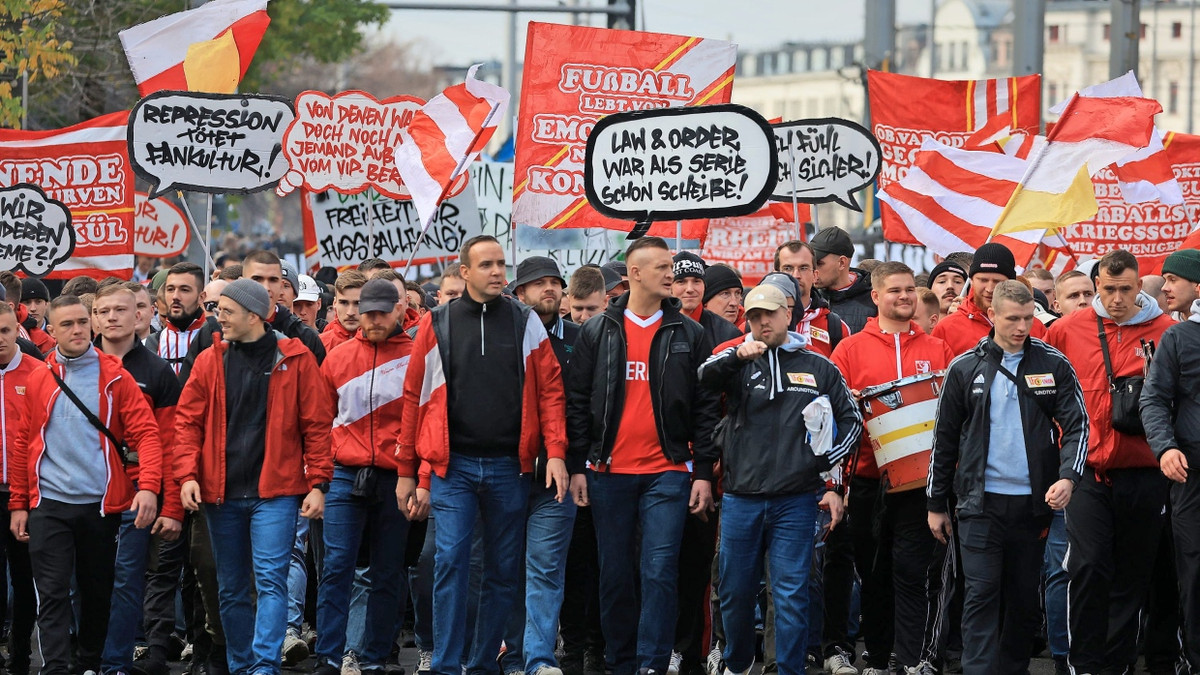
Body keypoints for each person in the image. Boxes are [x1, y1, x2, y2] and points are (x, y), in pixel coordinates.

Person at [399, 235, 569, 675]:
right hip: (450, 468)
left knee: (501, 570)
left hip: (508, 469)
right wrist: (407, 472)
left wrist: (554, 451)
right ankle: (446, 665)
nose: (498, 271)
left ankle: (481, 666)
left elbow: (551, 391)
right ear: (465, 272)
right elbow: (413, 398)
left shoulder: (525, 320)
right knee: (450, 562)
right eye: (487, 264)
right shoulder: (436, 322)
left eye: (501, 263)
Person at [566, 236, 720, 675]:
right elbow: (577, 401)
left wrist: (703, 472)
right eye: (661, 267)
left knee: (658, 572)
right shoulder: (598, 330)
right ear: (634, 273)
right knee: (615, 575)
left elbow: (706, 409)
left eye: (671, 265)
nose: (671, 273)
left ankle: (652, 664)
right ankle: (621, 662)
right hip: (607, 472)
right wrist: (579, 465)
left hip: (668, 473)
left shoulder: (690, 333)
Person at [698, 284, 861, 675]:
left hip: (796, 500)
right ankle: (737, 662)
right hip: (740, 497)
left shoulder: (819, 364)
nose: (762, 321)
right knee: (734, 591)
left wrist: (822, 464)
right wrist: (737, 356)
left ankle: (788, 669)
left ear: (788, 314)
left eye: (770, 314)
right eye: (754, 316)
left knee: (789, 594)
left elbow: (851, 419)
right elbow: (703, 379)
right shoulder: (735, 357)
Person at [927, 280, 1087, 674]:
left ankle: (1014, 668)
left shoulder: (1052, 363)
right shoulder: (965, 367)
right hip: (980, 503)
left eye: (1028, 318)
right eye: (1012, 318)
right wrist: (935, 504)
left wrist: (1068, 477)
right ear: (993, 315)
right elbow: (943, 440)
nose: (1021, 327)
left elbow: (1078, 426)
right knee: (980, 593)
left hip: (1034, 504)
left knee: (1021, 598)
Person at [175, 279, 334, 675]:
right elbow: (187, 423)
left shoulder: (295, 358)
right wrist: (187, 475)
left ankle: (264, 666)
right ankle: (241, 663)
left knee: (270, 581)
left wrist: (318, 483)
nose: (218, 317)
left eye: (226, 310)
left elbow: (317, 425)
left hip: (276, 493)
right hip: (220, 493)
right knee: (229, 587)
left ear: (253, 315)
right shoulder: (211, 360)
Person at [9, 294, 164, 675]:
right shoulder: (38, 376)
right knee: (52, 594)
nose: (77, 330)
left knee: (97, 594)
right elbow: (20, 444)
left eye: (82, 322)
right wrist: (18, 504)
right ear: (53, 330)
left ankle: (90, 664)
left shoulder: (115, 376)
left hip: (101, 505)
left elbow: (147, 435)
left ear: (90, 323)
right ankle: (56, 668)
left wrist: (148, 486)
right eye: (67, 324)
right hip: (49, 505)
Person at [1045, 249, 1175, 674]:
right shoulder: (1067, 329)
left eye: (1126, 289)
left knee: (1131, 577)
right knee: (1087, 567)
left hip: (1145, 471)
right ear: (1096, 285)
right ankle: (1083, 665)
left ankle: (1116, 666)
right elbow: (1040, 386)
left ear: (1140, 286)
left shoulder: (1167, 331)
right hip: (1087, 471)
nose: (1116, 298)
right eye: (1108, 289)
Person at [828, 262, 955, 675]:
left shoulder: (937, 348)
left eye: (909, 290)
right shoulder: (850, 349)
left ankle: (909, 657)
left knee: (910, 570)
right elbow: (834, 413)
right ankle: (878, 659)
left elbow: (955, 411)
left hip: (921, 484)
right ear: (876, 296)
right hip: (867, 479)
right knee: (873, 570)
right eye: (895, 290)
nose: (904, 296)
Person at [314, 279, 420, 675]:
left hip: (397, 478)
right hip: (344, 474)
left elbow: (427, 422)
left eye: (380, 312)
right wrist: (319, 479)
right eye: (367, 312)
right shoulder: (338, 358)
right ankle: (328, 655)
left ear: (398, 311)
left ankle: (374, 657)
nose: (372, 319)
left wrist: (419, 477)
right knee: (337, 566)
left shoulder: (417, 358)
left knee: (388, 570)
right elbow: (319, 422)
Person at [93, 284, 184, 675]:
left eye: (120, 310)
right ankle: (86, 657)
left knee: (127, 580)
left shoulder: (157, 371)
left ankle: (115, 660)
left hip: (136, 492)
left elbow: (169, 442)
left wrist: (167, 501)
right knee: (81, 581)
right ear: (94, 316)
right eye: (104, 310)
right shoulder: (67, 364)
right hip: (83, 492)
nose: (112, 317)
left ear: (140, 316)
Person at [502, 257, 580, 675]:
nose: (549, 289)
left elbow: (584, 407)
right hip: (507, 472)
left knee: (546, 570)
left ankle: (538, 659)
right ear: (519, 294)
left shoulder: (582, 339)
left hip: (558, 474)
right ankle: (513, 657)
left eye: (555, 282)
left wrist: (575, 462)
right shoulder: (503, 337)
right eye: (538, 283)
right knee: (509, 571)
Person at [1140, 273, 1200, 670]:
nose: (1165, 288)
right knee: (1194, 573)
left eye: (1175, 278)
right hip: (1191, 477)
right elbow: (1154, 398)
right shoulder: (1179, 338)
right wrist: (1165, 448)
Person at [0, 303, 41, 675]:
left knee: (25, 578)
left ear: (17, 331)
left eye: (5, 331)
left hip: (24, 495)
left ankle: (21, 656)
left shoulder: (38, 373)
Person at [932, 242, 1046, 355]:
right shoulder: (947, 329)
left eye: (997, 281)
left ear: (1011, 282)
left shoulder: (1034, 327)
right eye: (983, 280)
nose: (990, 289)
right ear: (971, 281)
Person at [773, 241, 849, 356]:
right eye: (788, 268)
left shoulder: (835, 327)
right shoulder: (757, 322)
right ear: (776, 275)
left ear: (815, 276)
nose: (795, 275)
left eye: (803, 268)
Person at [145, 262, 207, 375]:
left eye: (184, 290)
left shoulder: (216, 339)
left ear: (201, 297)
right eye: (170, 289)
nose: (175, 297)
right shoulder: (149, 344)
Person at [810, 227, 875, 333]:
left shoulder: (874, 302)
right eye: (810, 263)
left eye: (819, 263)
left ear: (842, 263)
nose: (813, 270)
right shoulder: (806, 298)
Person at [672, 252, 741, 349]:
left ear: (704, 286)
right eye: (681, 282)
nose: (690, 289)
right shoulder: (657, 324)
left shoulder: (728, 333)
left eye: (696, 281)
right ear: (669, 286)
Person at [322, 271, 367, 353]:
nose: (350, 312)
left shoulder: (381, 343)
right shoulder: (320, 345)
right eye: (344, 303)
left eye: (358, 303)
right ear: (334, 303)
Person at [1160, 248, 1200, 319]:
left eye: (1173, 280)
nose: (1164, 288)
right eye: (1164, 280)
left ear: (1197, 284)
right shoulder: (1164, 327)